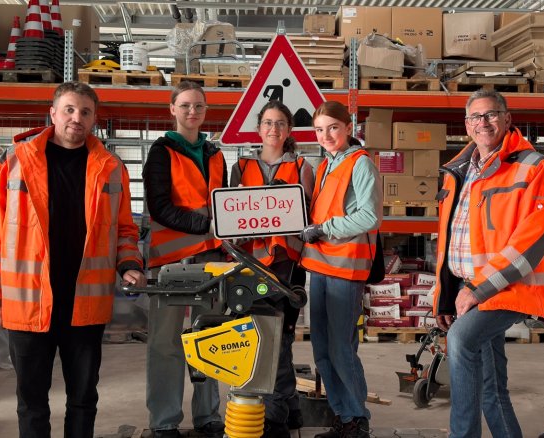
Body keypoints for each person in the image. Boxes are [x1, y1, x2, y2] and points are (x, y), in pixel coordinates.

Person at [0, 81, 144, 438]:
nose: (76, 118)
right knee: (31, 400)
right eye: (68, 109)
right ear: (52, 114)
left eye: (84, 112)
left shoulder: (111, 168)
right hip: (28, 304)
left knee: (83, 397)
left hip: (84, 305)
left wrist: (130, 264)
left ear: (94, 119)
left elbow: (125, 230)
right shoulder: (14, 161)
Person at [433, 89, 544, 438]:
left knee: (460, 340)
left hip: (511, 287)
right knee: (491, 386)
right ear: (467, 126)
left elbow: (531, 242)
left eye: (491, 115)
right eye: (476, 117)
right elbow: (449, 239)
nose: (483, 122)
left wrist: (477, 289)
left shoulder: (535, 168)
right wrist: (447, 296)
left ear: (507, 119)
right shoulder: (458, 172)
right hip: (467, 287)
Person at [143, 80, 225, 438]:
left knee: (210, 337)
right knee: (166, 343)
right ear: (172, 109)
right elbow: (160, 208)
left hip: (212, 259)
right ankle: (164, 422)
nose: (193, 112)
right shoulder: (162, 152)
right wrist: (207, 224)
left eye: (200, 106)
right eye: (186, 105)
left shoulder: (216, 153)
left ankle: (208, 416)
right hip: (172, 262)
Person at [228, 100, 314, 437]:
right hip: (250, 265)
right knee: (262, 337)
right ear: (258, 128)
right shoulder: (242, 166)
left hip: (285, 265)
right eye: (267, 123)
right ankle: (289, 406)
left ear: (289, 130)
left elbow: (305, 214)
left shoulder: (303, 166)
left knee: (279, 338)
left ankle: (278, 415)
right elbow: (233, 212)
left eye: (280, 123)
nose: (273, 129)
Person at [299, 101, 381, 438]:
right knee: (321, 348)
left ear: (348, 128)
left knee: (341, 348)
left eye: (333, 127)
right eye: (320, 129)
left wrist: (323, 229)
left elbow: (369, 216)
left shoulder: (360, 164)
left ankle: (357, 418)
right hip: (319, 267)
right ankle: (342, 416)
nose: (326, 135)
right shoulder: (325, 166)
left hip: (345, 270)